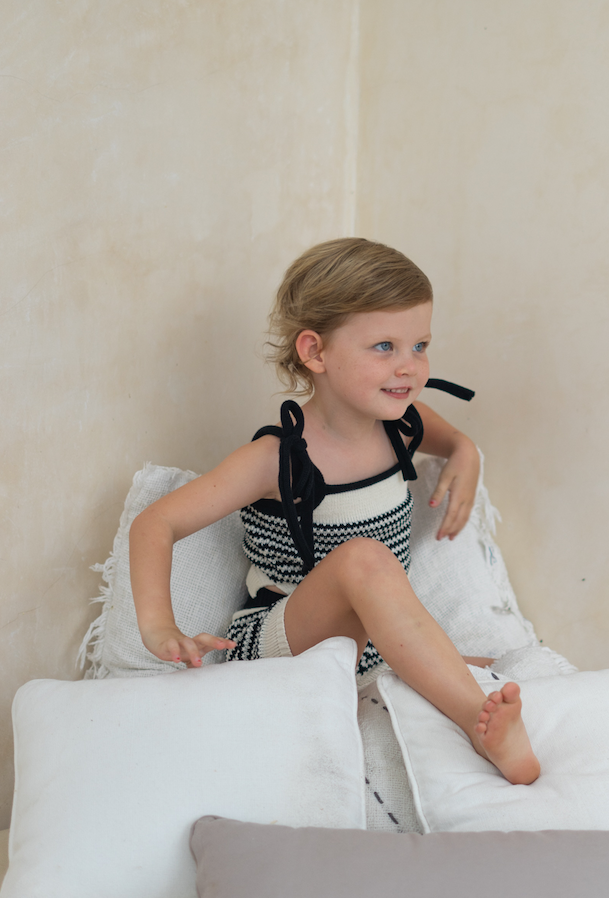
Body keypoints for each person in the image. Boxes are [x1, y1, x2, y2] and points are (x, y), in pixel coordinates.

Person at [129, 238, 540, 785]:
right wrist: (159, 626)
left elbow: (452, 440)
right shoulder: (278, 458)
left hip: (366, 647)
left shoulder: (403, 423)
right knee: (363, 560)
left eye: (420, 345)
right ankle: (479, 725)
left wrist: (465, 451)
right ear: (315, 352)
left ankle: (421, 677)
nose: (409, 367)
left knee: (430, 626)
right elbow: (155, 522)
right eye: (384, 347)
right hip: (282, 643)